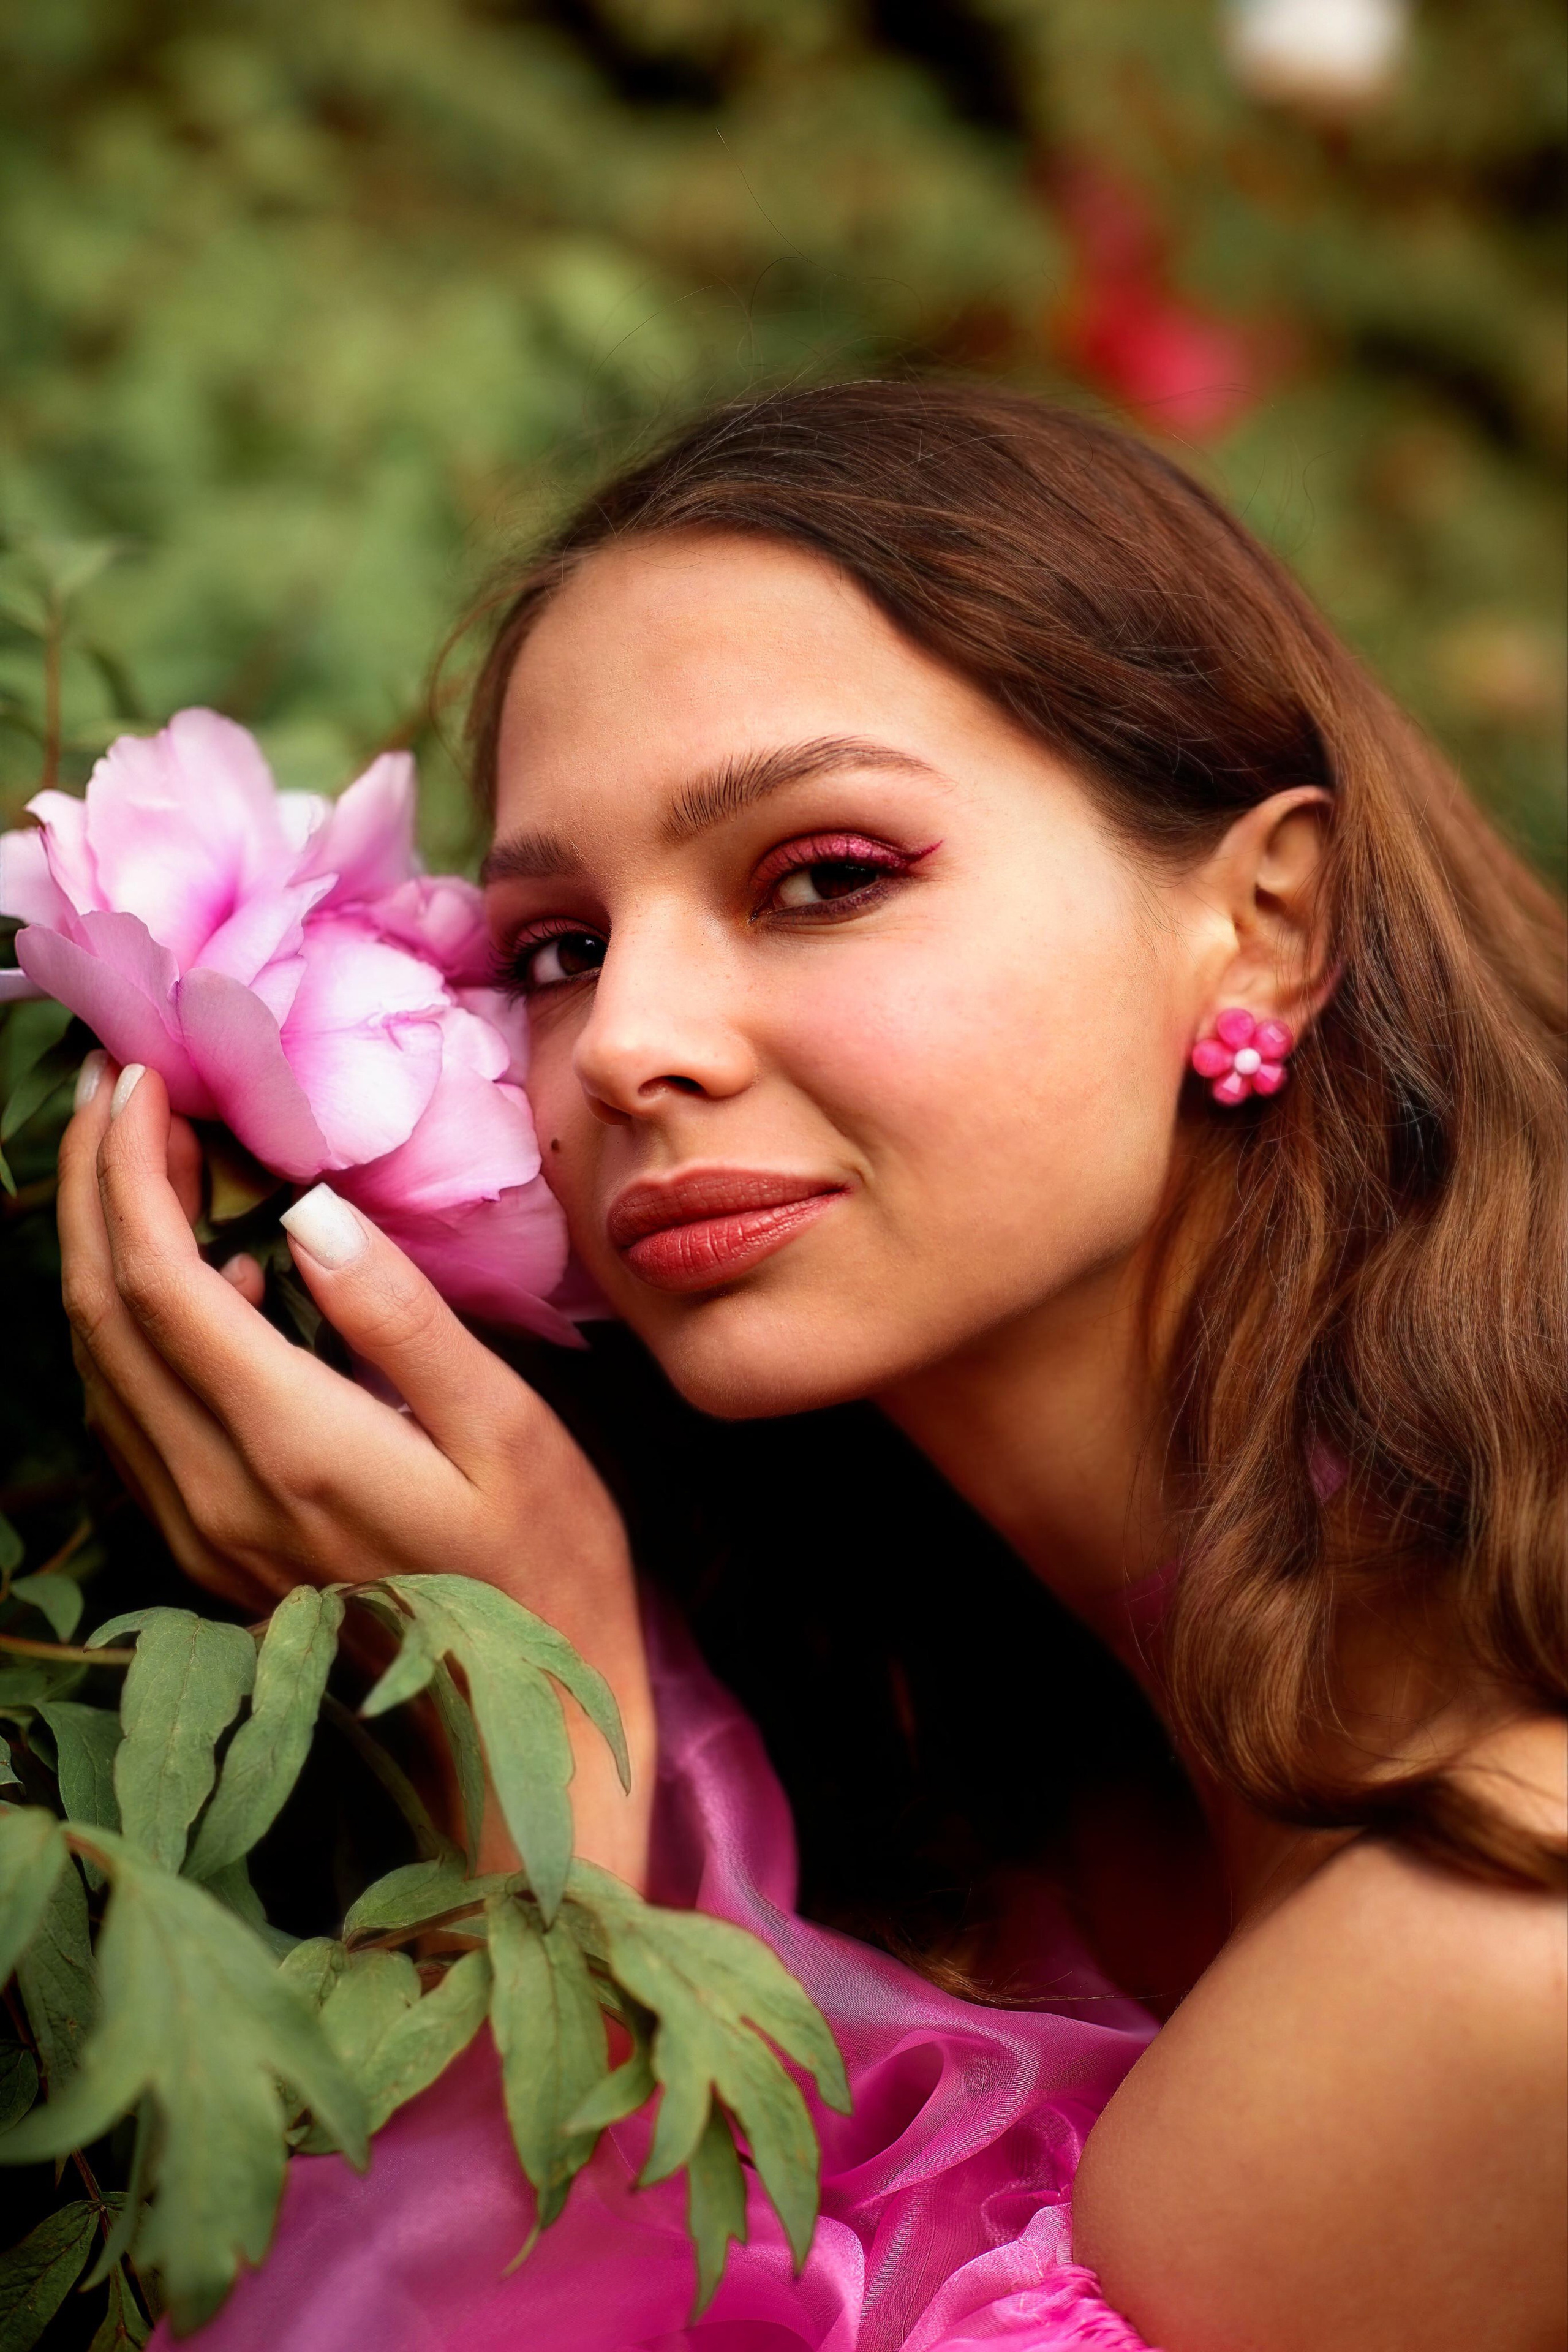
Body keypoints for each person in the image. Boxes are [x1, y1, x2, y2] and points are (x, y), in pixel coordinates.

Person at [59, 384, 1564, 2350]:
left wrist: (538, 1737)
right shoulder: (1006, 1750)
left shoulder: (1491, 1953)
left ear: (1266, 922)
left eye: (825, 874)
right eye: (554, 949)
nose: (624, 1047)